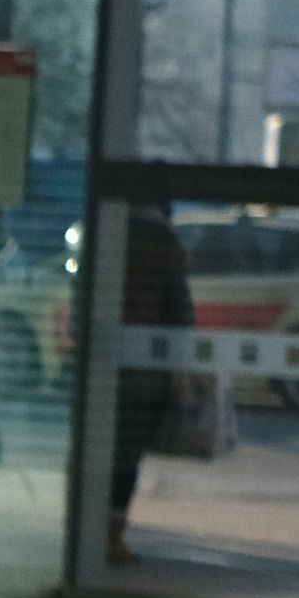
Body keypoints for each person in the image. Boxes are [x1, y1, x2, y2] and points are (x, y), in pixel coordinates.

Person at [107, 207, 194, 564]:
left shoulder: (106, 230)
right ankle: (112, 536)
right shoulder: (162, 240)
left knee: (98, 452)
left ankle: (90, 530)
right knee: (127, 455)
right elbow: (179, 309)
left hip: (103, 360)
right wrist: (180, 367)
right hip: (144, 366)